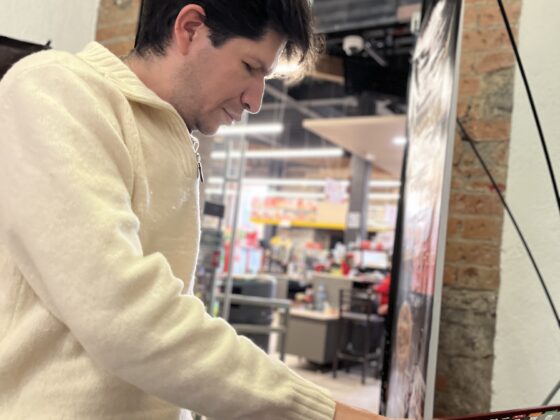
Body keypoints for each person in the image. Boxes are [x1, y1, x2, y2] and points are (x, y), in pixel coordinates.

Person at [0, 1, 399, 419]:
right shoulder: (56, 91)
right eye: (250, 67)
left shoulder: (172, 135)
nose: (256, 100)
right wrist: (321, 412)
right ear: (190, 28)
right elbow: (123, 316)